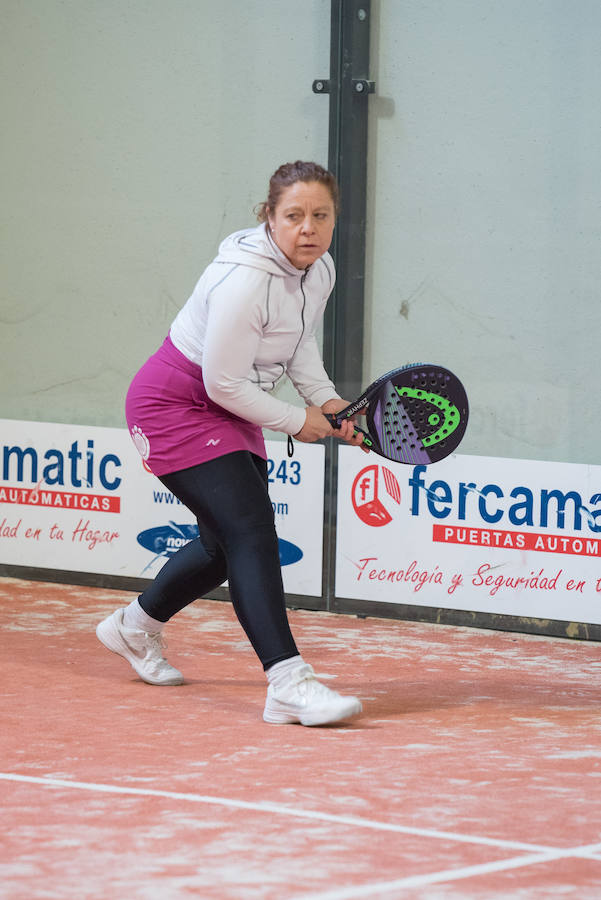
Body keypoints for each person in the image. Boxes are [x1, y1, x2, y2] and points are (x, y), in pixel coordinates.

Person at [96, 161, 366, 726]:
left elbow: (299, 350)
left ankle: (133, 627)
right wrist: (298, 421)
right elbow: (221, 381)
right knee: (250, 531)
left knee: (224, 544)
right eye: (293, 216)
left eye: (321, 216)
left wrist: (334, 406)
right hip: (174, 405)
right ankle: (288, 682)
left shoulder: (318, 271)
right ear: (269, 217)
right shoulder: (245, 281)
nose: (308, 228)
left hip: (234, 401)